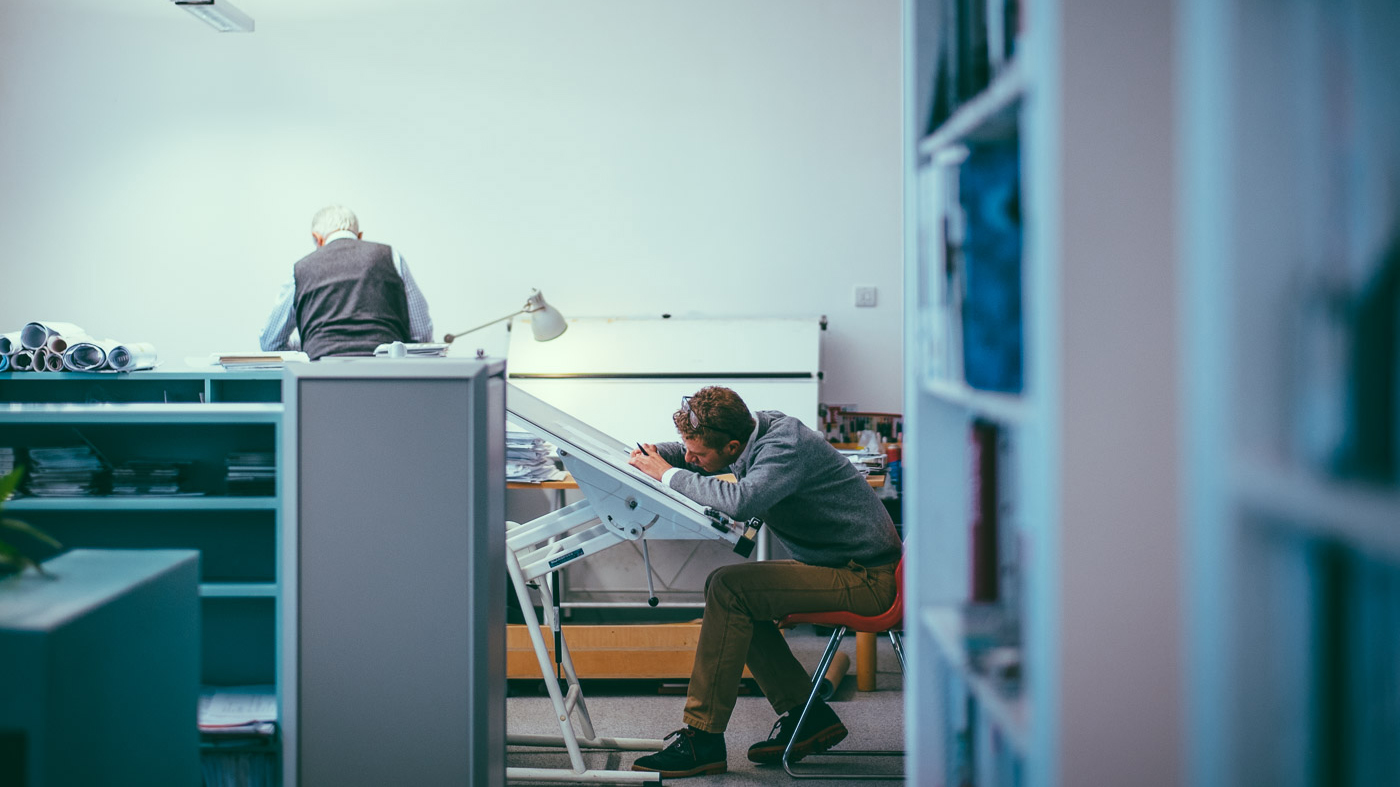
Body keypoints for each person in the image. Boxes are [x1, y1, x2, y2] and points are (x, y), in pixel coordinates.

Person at [626, 386, 902, 778]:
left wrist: (668, 474)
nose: (690, 459)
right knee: (732, 595)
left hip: (868, 578)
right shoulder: (757, 429)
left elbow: (743, 501)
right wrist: (650, 456)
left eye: (698, 455)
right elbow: (690, 453)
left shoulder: (785, 448)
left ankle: (703, 738)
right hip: (845, 565)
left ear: (733, 445)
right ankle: (808, 717)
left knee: (729, 588)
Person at [259, 205, 433, 360]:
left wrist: (311, 344)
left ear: (317, 238)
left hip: (320, 378)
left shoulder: (300, 269)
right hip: (386, 374)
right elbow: (421, 334)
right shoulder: (391, 256)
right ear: (360, 236)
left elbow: (271, 343)